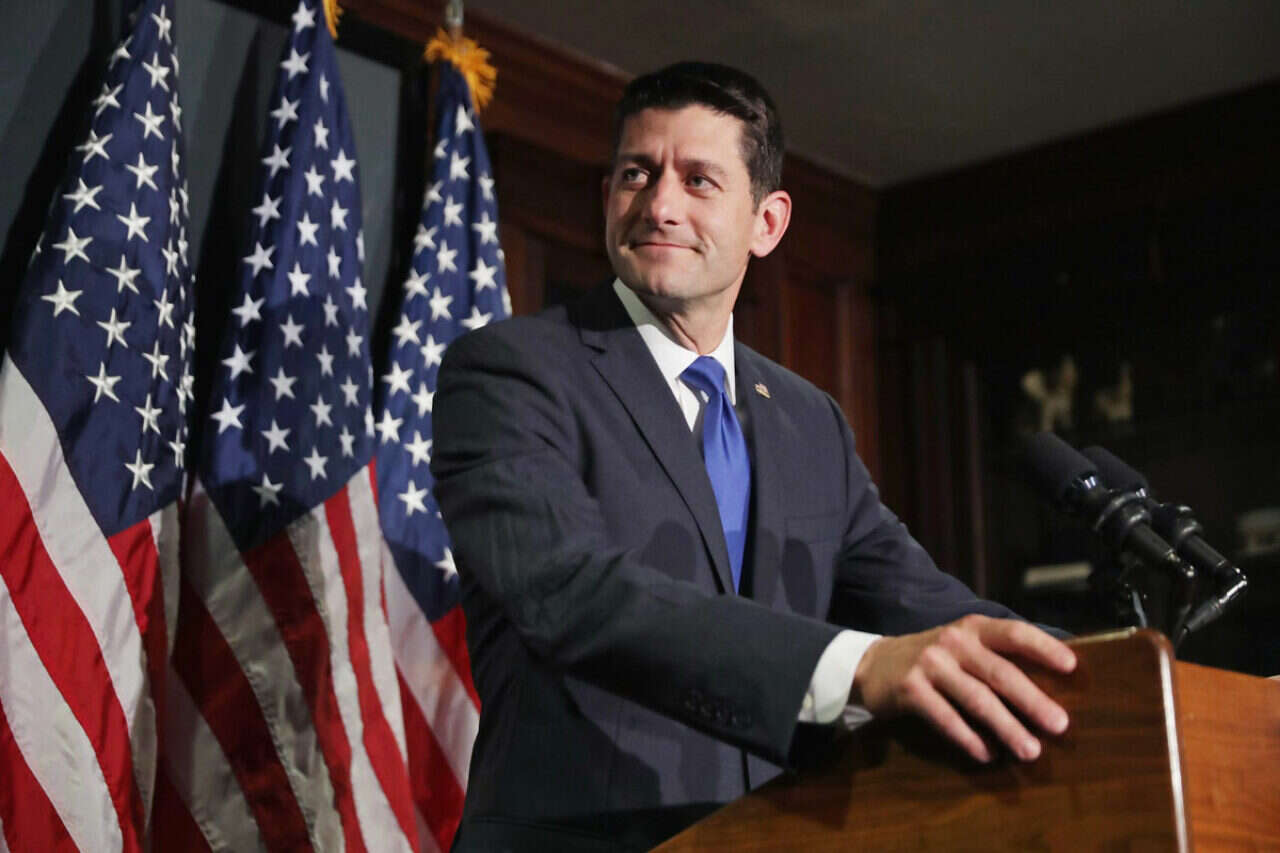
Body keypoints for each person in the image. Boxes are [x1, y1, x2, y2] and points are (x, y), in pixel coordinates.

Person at [431, 61, 1076, 852]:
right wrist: (854, 667)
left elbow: (922, 604)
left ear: (767, 223)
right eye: (637, 173)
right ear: (607, 197)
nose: (660, 205)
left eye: (698, 180)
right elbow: (572, 593)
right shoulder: (510, 372)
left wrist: (1103, 675)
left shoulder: (808, 421)